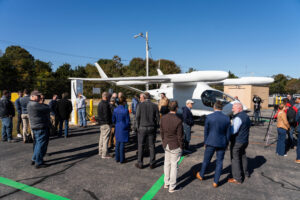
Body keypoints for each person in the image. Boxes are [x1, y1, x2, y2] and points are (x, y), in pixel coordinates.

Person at [195, 101, 231, 188]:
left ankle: (201, 174)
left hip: (210, 141)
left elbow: (206, 131)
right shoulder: (226, 118)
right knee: (219, 162)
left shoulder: (209, 117)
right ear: (221, 108)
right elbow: (228, 133)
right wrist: (226, 143)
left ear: (214, 107)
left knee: (206, 160)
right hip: (222, 142)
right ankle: (216, 181)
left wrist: (205, 141)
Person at [161, 101, 183, 193]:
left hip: (166, 143)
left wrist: (163, 141)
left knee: (167, 164)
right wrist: (181, 147)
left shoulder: (163, 118)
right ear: (176, 108)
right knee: (174, 166)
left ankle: (166, 183)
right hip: (175, 145)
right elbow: (180, 136)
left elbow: (161, 132)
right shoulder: (178, 120)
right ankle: (172, 186)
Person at [228, 102, 251, 184]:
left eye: (233, 108)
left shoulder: (238, 118)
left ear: (239, 108)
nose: (232, 109)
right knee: (243, 156)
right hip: (245, 140)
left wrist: (228, 127)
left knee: (235, 159)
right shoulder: (246, 116)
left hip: (238, 141)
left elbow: (233, 131)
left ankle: (237, 178)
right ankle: (245, 173)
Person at [135, 92, 160, 169]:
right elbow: (158, 119)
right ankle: (152, 163)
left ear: (144, 97)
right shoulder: (155, 106)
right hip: (151, 128)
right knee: (152, 146)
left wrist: (137, 128)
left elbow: (137, 117)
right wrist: (156, 127)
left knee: (141, 145)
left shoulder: (140, 105)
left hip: (142, 127)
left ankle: (140, 163)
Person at [27, 91, 50, 168]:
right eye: (38, 96)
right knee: (41, 145)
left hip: (35, 126)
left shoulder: (30, 104)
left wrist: (41, 102)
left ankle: (34, 158)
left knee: (37, 144)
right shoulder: (35, 104)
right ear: (33, 96)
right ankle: (39, 162)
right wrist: (42, 102)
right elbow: (48, 108)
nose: (40, 98)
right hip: (40, 127)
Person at [112, 96, 130, 163]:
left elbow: (113, 119)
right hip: (124, 126)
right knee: (122, 144)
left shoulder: (115, 110)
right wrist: (128, 127)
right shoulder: (125, 110)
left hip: (118, 126)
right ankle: (122, 159)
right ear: (123, 102)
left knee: (117, 143)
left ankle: (117, 158)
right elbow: (128, 121)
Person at [98, 92, 112, 159]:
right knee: (105, 139)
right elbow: (106, 115)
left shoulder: (100, 103)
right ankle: (105, 153)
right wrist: (109, 122)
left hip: (101, 123)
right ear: (106, 97)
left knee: (101, 138)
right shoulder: (106, 104)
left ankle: (100, 151)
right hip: (106, 123)